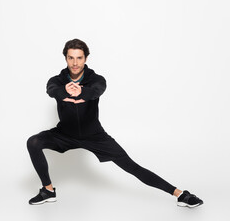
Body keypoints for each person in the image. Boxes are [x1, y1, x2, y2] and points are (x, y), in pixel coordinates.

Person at [26, 39, 203, 208]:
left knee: (132, 167)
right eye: (71, 58)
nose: (75, 63)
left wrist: (82, 92)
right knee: (33, 142)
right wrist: (64, 90)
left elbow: (97, 89)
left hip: (94, 135)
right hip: (65, 134)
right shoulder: (57, 80)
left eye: (79, 57)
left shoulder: (96, 79)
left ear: (86, 58)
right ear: (65, 58)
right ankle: (48, 190)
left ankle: (180, 194)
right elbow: (52, 89)